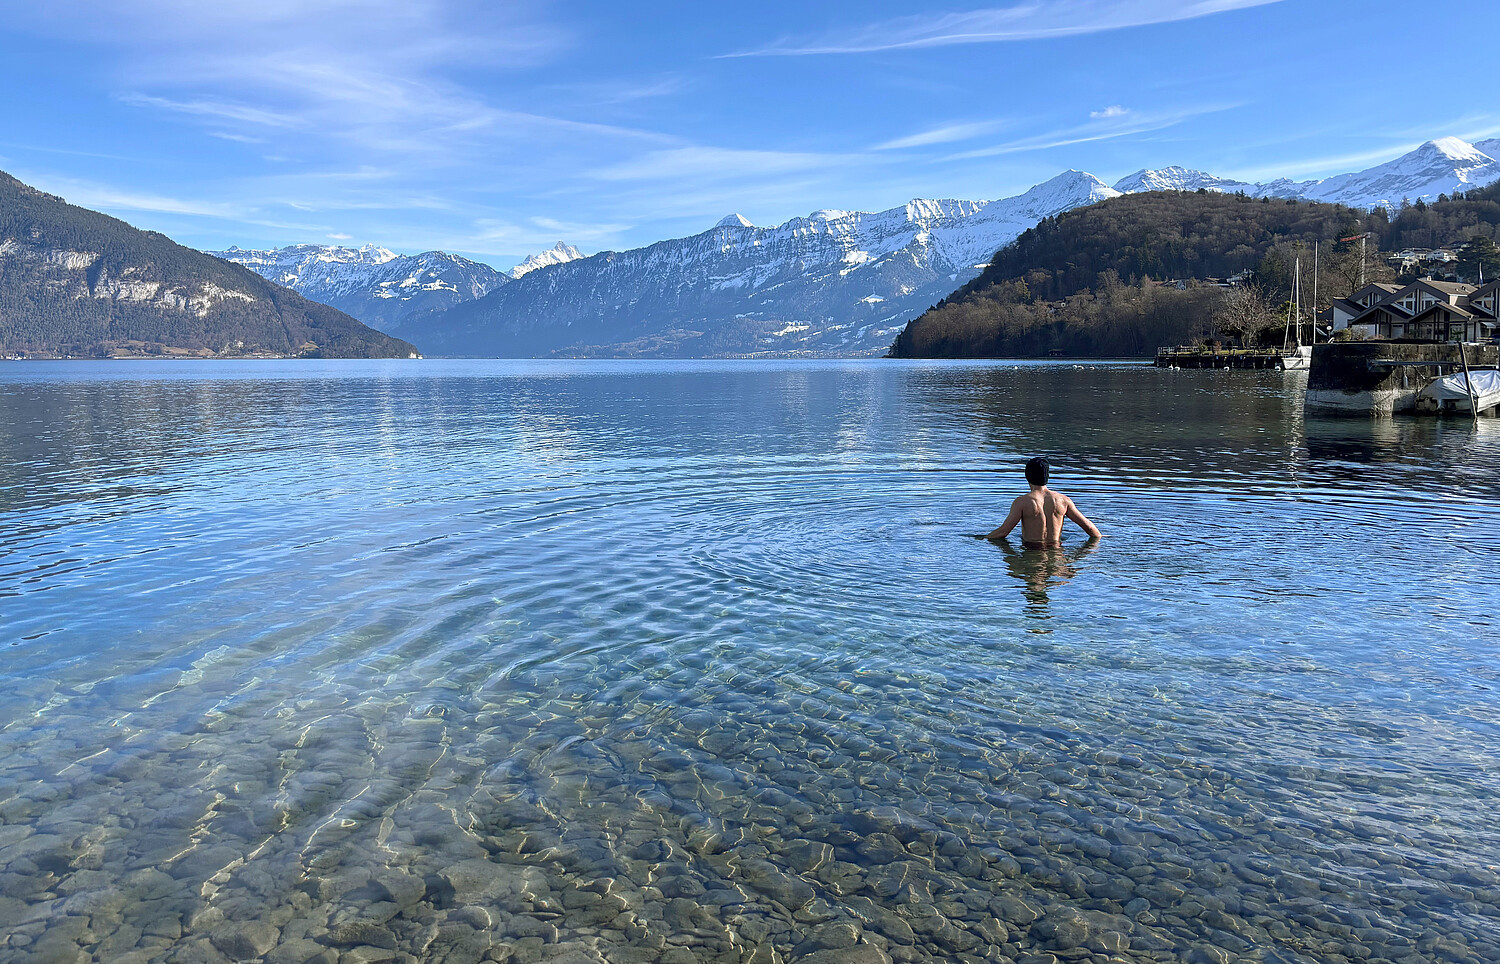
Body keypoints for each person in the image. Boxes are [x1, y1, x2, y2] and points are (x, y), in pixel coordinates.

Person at [984, 457, 1101, 548]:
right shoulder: (1063, 500)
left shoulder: (1022, 502)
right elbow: (1090, 528)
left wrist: (982, 538)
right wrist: (1100, 538)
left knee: (1015, 574)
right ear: (1047, 476)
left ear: (1027, 476)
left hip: (1030, 551)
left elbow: (1003, 532)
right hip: (1056, 551)